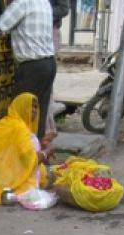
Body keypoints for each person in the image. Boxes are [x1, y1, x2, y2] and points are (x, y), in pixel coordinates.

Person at [0, 0, 56, 140]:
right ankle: (35, 154)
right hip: (49, 63)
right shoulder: (44, 2)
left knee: (19, 114)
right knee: (38, 116)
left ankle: (20, 155)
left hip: (32, 67)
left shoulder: (22, 3)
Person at [45, 0, 70, 138]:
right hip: (39, 30)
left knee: (45, 81)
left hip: (49, 30)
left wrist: (42, 13)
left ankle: (48, 128)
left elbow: (63, 9)